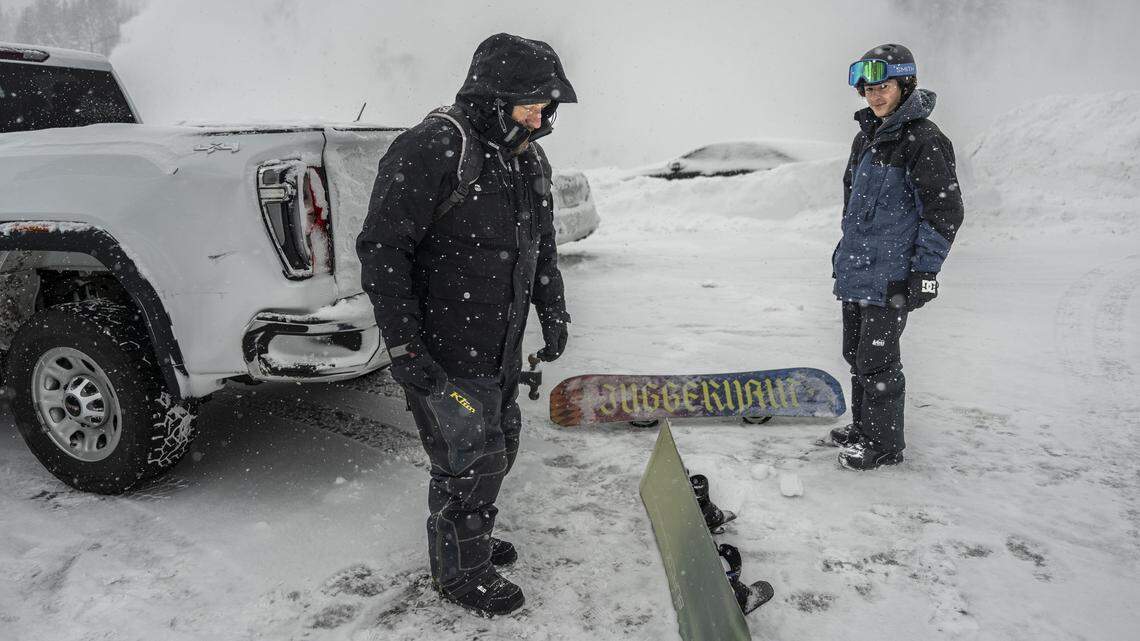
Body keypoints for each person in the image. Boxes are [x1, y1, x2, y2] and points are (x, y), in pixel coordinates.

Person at [356, 33, 575, 616]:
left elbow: (540, 245)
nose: (541, 117)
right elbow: (382, 252)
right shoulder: (429, 148)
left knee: (500, 443)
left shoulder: (525, 154)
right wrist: (405, 347)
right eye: (531, 104)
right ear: (492, 95)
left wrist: (552, 312)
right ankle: (460, 571)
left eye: (547, 107)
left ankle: (469, 534)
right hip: (443, 345)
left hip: (499, 342)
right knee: (468, 456)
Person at [827, 43, 964, 470]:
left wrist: (925, 270)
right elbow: (853, 208)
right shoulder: (866, 137)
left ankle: (885, 445)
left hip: (892, 276)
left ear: (906, 85)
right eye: (868, 89)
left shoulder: (924, 140)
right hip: (858, 271)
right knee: (856, 355)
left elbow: (944, 212)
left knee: (877, 360)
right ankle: (864, 427)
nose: (874, 96)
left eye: (883, 86)